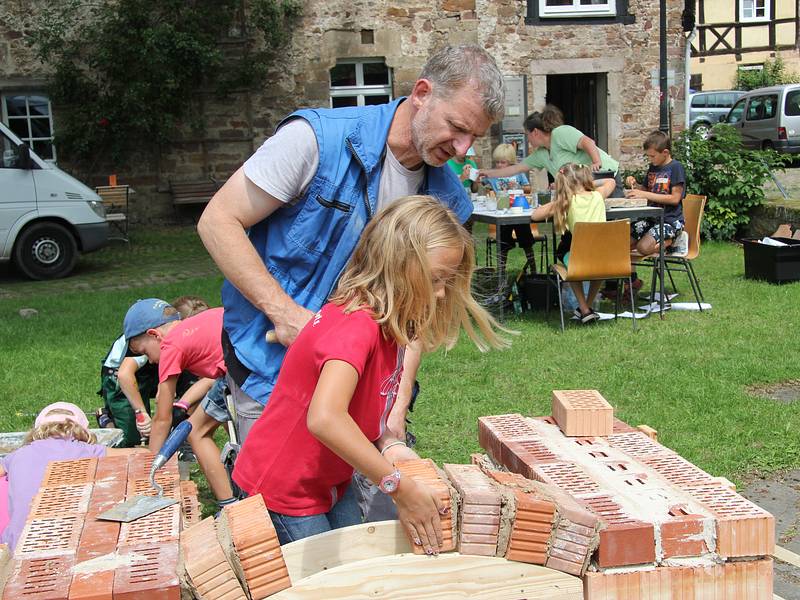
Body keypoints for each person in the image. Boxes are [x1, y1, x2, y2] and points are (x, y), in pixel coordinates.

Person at [197, 44, 505, 449]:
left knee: (365, 507)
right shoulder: (316, 141)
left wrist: (397, 397)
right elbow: (218, 221)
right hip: (271, 368)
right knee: (282, 504)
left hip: (367, 384)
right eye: (456, 127)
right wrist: (285, 314)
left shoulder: (449, 202)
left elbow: (419, 311)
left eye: (474, 137)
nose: (463, 149)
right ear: (422, 93)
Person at [232, 196, 510, 551]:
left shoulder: (389, 326)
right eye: (436, 279)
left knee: (357, 566)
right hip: (284, 488)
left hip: (329, 479)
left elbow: (364, 407)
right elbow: (325, 418)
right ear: (398, 267)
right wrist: (397, 485)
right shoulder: (356, 326)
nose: (441, 294)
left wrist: (390, 444)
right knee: (330, 584)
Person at [123, 299, 236, 511]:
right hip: (247, 367)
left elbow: (162, 418)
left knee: (196, 433)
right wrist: (183, 403)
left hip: (241, 378)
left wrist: (152, 467)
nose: (150, 361)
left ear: (154, 335)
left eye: (145, 353)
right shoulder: (199, 323)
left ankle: (229, 504)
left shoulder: (170, 345)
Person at [0, 402, 131, 551]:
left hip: (15, 543)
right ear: (82, 430)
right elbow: (142, 455)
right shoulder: (86, 450)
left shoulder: (18, 454)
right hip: (66, 542)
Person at [533, 163, 615, 323]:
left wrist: (556, 201)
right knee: (594, 268)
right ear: (584, 177)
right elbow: (611, 182)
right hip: (604, 258)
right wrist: (589, 182)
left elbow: (536, 215)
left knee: (568, 259)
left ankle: (584, 309)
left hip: (579, 259)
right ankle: (586, 308)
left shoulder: (566, 202)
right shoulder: (598, 196)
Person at [481, 105, 623, 197]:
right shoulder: (541, 154)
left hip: (606, 177)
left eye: (527, 134)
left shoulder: (561, 133)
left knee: (613, 225)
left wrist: (596, 162)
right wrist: (486, 173)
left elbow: (588, 142)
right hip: (585, 187)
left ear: (535, 132)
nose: (527, 139)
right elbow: (514, 169)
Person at [625, 130, 687, 256]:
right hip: (651, 219)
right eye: (648, 156)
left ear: (665, 153)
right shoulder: (653, 167)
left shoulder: (676, 167)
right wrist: (634, 185)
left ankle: (673, 242)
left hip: (670, 221)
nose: (650, 159)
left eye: (652, 156)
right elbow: (646, 190)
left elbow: (675, 198)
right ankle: (631, 275)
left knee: (643, 248)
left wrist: (645, 194)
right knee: (623, 242)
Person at [484, 143, 535, 267]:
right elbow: (480, 182)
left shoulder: (517, 173)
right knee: (503, 244)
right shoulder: (493, 174)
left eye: (503, 162)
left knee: (526, 241)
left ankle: (533, 270)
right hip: (502, 213)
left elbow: (528, 188)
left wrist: (518, 187)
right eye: (497, 162)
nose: (499, 165)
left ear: (511, 162)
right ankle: (501, 272)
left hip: (518, 211)